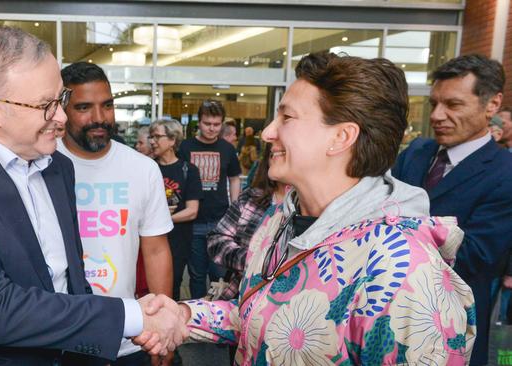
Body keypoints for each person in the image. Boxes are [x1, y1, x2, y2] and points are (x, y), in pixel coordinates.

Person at [138, 51, 476, 364]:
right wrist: (183, 316)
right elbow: (260, 316)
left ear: (341, 137)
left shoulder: (405, 273)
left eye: (287, 117)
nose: (269, 132)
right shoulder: (281, 220)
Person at [0, 26, 186, 365]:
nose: (62, 117)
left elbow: (69, 279)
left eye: (60, 99)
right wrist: (134, 317)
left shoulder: (58, 166)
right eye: (47, 105)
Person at [392, 54, 512, 366]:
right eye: (434, 104)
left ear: (492, 105)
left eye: (453, 105)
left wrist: (398, 227)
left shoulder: (505, 173)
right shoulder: (417, 152)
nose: (437, 115)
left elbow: (478, 255)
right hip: (389, 313)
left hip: (451, 324)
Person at [57, 61, 175, 365]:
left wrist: (164, 328)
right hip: (59, 338)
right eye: (84, 107)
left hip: (129, 336)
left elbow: (156, 251)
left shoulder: (143, 169)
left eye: (107, 105)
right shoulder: (44, 166)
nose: (99, 118)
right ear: (62, 110)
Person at [178, 99, 241, 299]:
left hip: (220, 221)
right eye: (207, 124)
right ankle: (196, 316)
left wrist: (236, 209)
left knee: (219, 275)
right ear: (199, 122)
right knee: (196, 275)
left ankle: (217, 317)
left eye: (216, 124)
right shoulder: (186, 147)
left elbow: (234, 179)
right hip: (192, 221)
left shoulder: (227, 149)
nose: (212, 128)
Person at [207, 144, 286, 301]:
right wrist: (252, 261)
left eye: (284, 153)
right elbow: (216, 240)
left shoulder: (313, 208)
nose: (278, 159)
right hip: (238, 297)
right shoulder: (251, 198)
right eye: (274, 154)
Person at [148, 118, 203, 301]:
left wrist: (162, 220)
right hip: (149, 242)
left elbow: (192, 211)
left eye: (157, 136)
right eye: (151, 137)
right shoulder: (147, 168)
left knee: (173, 285)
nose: (152, 141)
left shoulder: (189, 170)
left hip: (177, 241)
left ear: (172, 140)